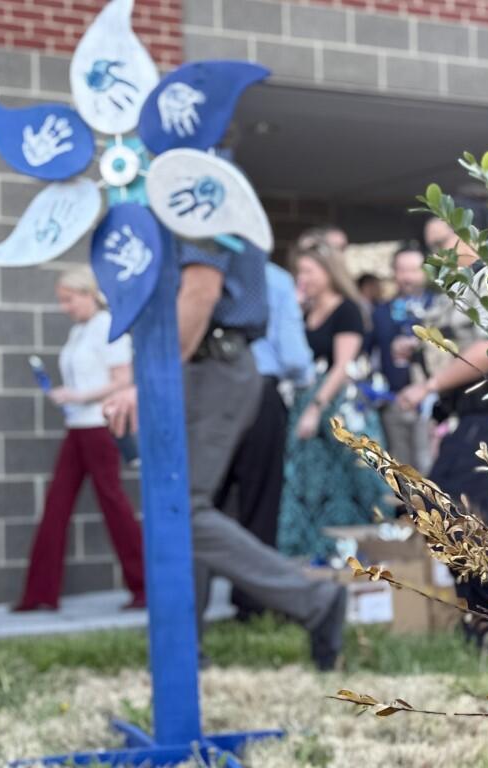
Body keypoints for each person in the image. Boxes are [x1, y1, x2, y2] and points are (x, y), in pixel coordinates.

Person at [102, 236, 348, 672]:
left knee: (182, 509)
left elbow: (202, 288)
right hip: (204, 363)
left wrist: (152, 378)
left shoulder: (196, 182)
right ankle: (182, 647)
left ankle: (313, 597)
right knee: (185, 509)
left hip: (210, 363)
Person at [397, 211, 488, 652]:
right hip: (468, 415)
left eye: (446, 241)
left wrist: (430, 385)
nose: (440, 255)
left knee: (454, 512)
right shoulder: (453, 287)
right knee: (443, 512)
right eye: (432, 246)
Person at [15, 266, 146, 612]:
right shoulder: (79, 332)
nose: (65, 307)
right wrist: (68, 395)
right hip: (77, 429)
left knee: (114, 505)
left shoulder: (109, 327)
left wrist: (78, 395)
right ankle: (40, 594)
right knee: (56, 506)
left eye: (69, 299)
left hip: (100, 428)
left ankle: (145, 586)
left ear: (89, 294)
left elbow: (123, 379)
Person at [278, 231, 394, 561]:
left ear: (329, 272)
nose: (304, 279)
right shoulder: (303, 313)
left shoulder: (347, 310)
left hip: (337, 406)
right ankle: (317, 554)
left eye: (309, 272)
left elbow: (343, 365)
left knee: (354, 482)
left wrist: (315, 408)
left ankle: (366, 555)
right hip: (304, 400)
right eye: (299, 273)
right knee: (310, 483)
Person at [215, 259, 313, 621]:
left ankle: (187, 602)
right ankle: (252, 604)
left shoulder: (194, 267)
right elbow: (293, 355)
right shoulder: (273, 277)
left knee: (203, 502)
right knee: (260, 502)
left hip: (205, 393)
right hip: (260, 391)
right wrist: (304, 376)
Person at [368, 242, 436, 471]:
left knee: (431, 474)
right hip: (393, 403)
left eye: (413, 270)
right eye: (401, 270)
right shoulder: (381, 311)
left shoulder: (438, 308)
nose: (407, 277)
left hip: (432, 404)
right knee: (400, 474)